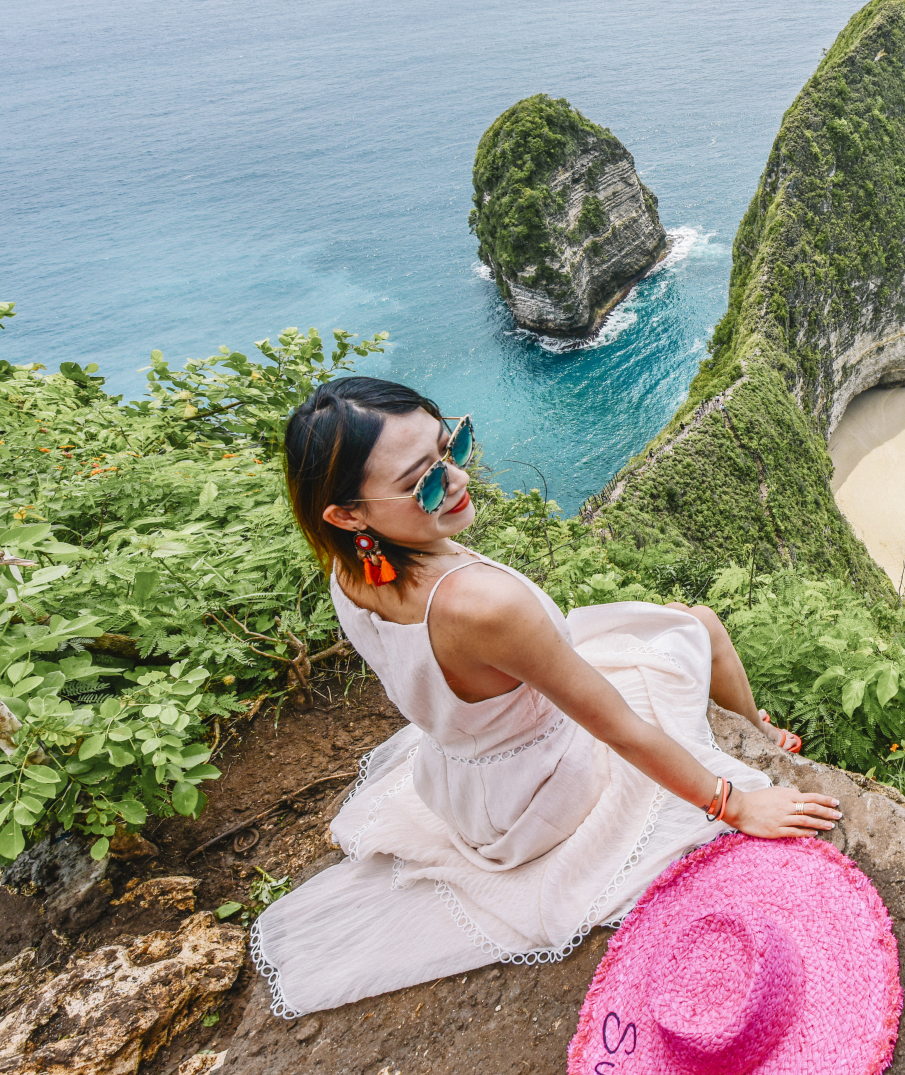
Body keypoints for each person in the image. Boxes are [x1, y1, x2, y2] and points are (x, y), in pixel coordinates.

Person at [249, 376, 842, 1017]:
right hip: (544, 790)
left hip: (462, 779)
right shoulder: (483, 604)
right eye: (422, 480)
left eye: (453, 444)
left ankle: (754, 723)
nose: (455, 478)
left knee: (672, 623)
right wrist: (736, 805)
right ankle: (758, 729)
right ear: (348, 512)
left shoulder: (351, 566)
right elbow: (619, 728)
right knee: (695, 623)